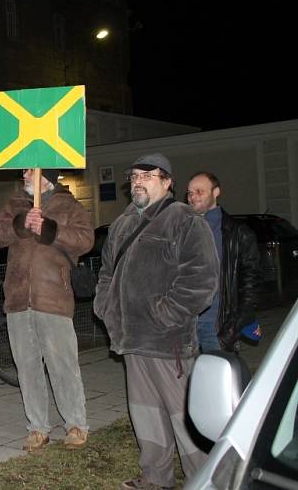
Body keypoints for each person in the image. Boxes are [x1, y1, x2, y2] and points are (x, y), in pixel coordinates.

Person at [93, 154, 219, 490]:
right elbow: (107, 272)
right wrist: (106, 308)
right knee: (146, 415)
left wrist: (166, 313)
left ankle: (204, 479)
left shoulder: (184, 220)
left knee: (184, 418)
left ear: (167, 182)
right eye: (134, 175)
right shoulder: (121, 224)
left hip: (169, 342)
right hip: (132, 340)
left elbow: (201, 280)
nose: (138, 180)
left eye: (148, 175)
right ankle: (154, 478)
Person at [0, 169, 94, 451]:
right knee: (27, 368)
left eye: (31, 170)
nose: (25, 173)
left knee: (63, 366)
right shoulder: (15, 205)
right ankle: (37, 427)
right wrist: (22, 223)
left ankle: (75, 424)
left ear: (46, 176)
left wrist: (49, 228)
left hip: (54, 299)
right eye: (25, 169)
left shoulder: (68, 205)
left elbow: (85, 239)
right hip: (18, 299)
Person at [186, 171, 262, 352]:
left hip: (217, 327)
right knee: (188, 381)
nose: (192, 197)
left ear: (216, 192)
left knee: (218, 378)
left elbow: (251, 283)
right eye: (189, 193)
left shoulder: (237, 233)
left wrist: (233, 327)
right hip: (185, 327)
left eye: (199, 191)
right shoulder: (183, 229)